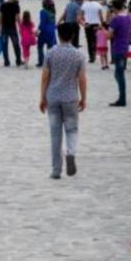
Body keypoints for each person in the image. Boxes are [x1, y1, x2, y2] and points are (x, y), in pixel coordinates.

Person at [40, 21, 87, 178]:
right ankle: (71, 153)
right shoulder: (79, 55)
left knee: (55, 134)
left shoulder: (50, 53)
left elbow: (45, 77)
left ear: (58, 35)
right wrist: (83, 98)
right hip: (70, 97)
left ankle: (56, 170)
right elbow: (82, 79)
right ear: (73, 35)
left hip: (53, 96)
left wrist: (42, 97)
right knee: (72, 130)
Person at [107, 0, 131, 107]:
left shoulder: (115, 19)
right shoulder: (128, 17)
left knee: (119, 74)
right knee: (119, 73)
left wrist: (101, 30)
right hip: (125, 47)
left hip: (117, 48)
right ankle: (121, 97)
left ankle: (122, 98)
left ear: (114, 8)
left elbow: (109, 36)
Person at [0, 0, 24, 67]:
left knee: (4, 45)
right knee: (16, 44)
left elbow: (1, 17)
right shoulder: (16, 5)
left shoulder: (3, 5)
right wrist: (21, 27)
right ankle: (18, 60)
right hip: (12, 27)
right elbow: (17, 18)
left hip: (4, 28)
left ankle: (6, 61)